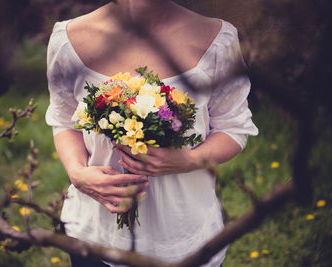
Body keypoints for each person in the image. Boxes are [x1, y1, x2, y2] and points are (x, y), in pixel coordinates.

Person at [45, 1, 258, 266]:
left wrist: (190, 160)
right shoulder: (68, 39)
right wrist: (78, 173)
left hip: (183, 237)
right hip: (94, 235)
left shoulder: (218, 40)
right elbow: (64, 119)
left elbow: (233, 127)